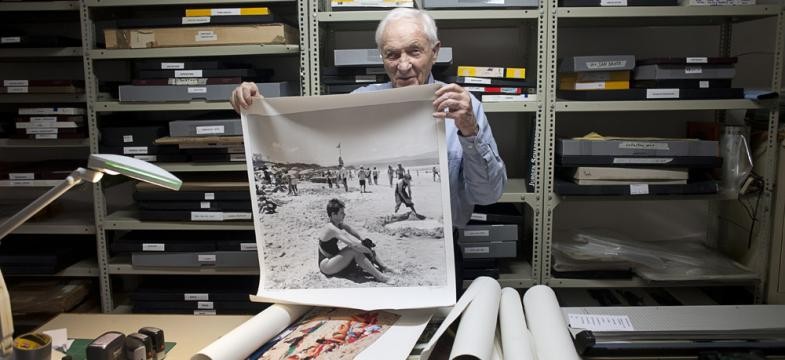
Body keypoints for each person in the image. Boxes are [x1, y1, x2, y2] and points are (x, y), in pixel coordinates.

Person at [230, 8, 506, 227]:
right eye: (392, 54)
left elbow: (488, 196)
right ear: (382, 57)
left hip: (444, 254)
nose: (403, 65)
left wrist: (469, 132)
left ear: (434, 52)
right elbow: (307, 134)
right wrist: (259, 110)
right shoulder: (360, 101)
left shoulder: (465, 109)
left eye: (414, 51)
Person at [318, 199, 389, 283]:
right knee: (355, 250)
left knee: (363, 245)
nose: (344, 215)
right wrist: (369, 251)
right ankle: (380, 277)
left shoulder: (337, 224)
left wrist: (362, 240)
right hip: (326, 265)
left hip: (334, 259)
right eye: (342, 213)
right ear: (333, 214)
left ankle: (384, 267)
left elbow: (350, 230)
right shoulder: (331, 228)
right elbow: (353, 245)